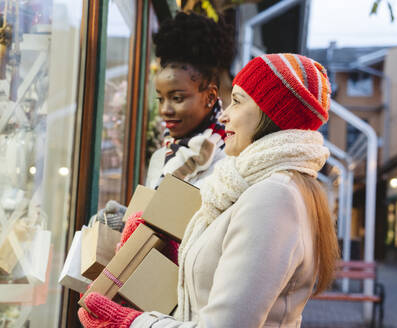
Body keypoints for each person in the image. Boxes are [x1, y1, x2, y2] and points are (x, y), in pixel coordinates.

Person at [78, 53, 340, 328]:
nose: (224, 115)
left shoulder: (274, 196)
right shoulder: (253, 185)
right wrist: (173, 249)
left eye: (237, 101)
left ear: (271, 114)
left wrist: (132, 323)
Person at [89, 12, 234, 231]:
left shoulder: (229, 160)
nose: (165, 110)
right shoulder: (162, 156)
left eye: (177, 98)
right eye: (160, 98)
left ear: (210, 96)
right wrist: (125, 219)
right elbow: (155, 223)